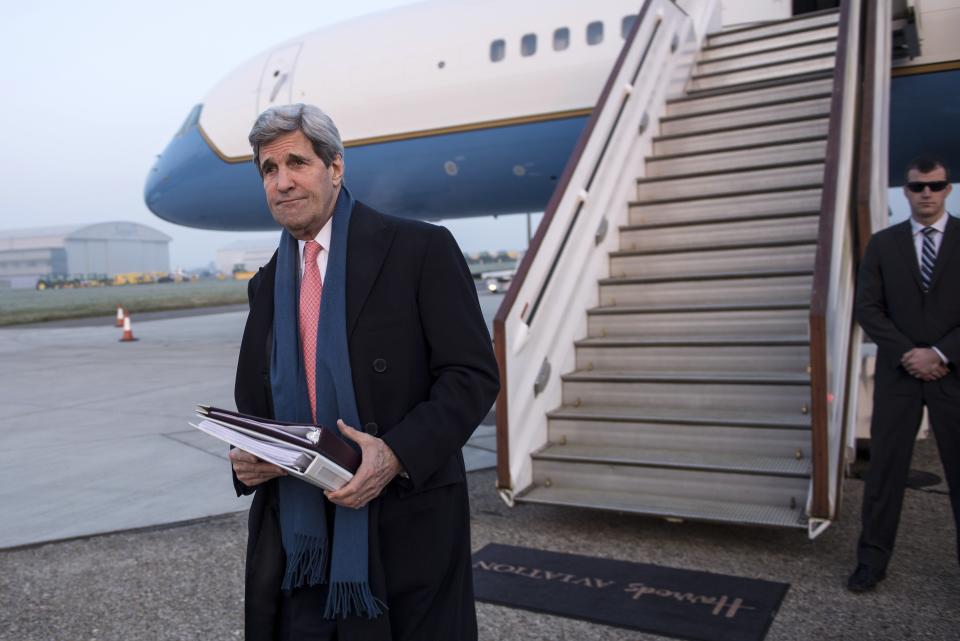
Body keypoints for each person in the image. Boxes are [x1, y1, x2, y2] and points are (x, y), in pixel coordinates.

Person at [228, 103, 500, 639]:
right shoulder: (266, 285)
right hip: (299, 538)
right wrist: (247, 459)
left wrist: (394, 453)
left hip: (402, 519)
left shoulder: (420, 250)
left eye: (297, 163)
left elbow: (471, 376)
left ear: (335, 167)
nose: (282, 182)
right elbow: (255, 409)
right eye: (269, 169)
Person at [848, 156, 959, 593]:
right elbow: (867, 308)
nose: (926, 194)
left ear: (948, 188)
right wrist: (911, 354)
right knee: (884, 477)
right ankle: (871, 563)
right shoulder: (883, 243)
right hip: (899, 376)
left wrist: (939, 353)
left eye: (935, 186)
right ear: (906, 191)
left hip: (953, 376)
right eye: (917, 187)